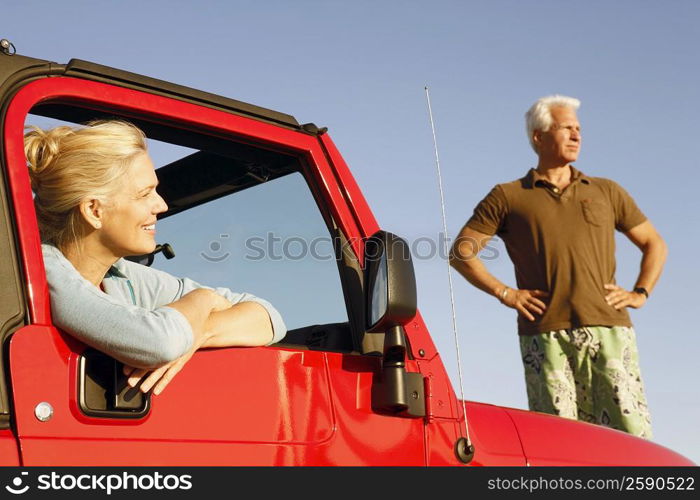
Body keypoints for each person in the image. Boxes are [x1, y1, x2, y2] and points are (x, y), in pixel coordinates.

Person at [449, 95, 666, 439]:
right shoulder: (508, 196)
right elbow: (461, 252)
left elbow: (654, 243)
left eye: (579, 129)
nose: (577, 135)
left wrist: (640, 292)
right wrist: (505, 293)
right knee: (560, 442)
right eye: (567, 128)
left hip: (609, 330)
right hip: (544, 337)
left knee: (631, 440)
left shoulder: (607, 191)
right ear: (539, 136)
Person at [25, 120, 286, 396]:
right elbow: (160, 343)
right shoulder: (41, 271)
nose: (161, 205)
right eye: (145, 193)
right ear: (94, 210)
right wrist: (203, 300)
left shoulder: (122, 275)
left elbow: (269, 317)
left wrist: (199, 332)